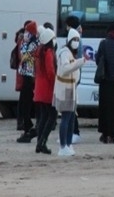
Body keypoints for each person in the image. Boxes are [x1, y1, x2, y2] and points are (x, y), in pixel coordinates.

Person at [54, 28, 86, 156]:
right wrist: (79, 62)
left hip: (72, 88)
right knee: (66, 118)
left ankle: (68, 144)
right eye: (74, 40)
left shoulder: (71, 53)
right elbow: (65, 69)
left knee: (72, 119)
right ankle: (63, 146)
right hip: (65, 89)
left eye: (78, 40)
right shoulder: (64, 53)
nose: (76, 42)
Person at [33, 27, 57, 154]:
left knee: (43, 117)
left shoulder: (39, 52)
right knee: (51, 117)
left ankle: (39, 143)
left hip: (39, 88)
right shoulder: (48, 53)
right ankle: (43, 141)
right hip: (48, 88)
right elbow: (50, 72)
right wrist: (56, 84)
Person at [17, 20, 39, 143]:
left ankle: (28, 128)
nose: (25, 34)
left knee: (27, 103)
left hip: (30, 77)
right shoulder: (29, 43)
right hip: (26, 75)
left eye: (26, 31)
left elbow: (25, 56)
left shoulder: (34, 44)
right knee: (25, 103)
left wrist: (24, 44)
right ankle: (27, 126)